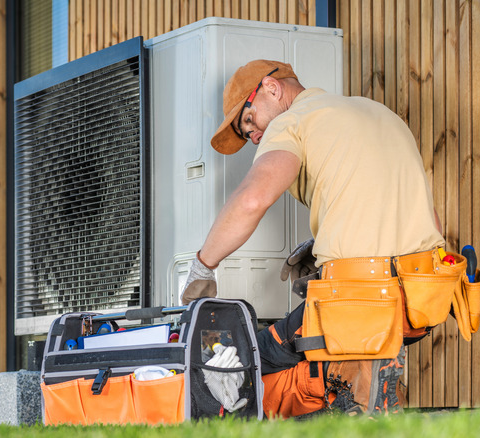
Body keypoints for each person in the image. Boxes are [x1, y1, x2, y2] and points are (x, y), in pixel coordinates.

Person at [180, 59, 446, 417]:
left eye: (249, 121)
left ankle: (350, 397)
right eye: (248, 135)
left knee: (250, 356)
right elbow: (429, 219)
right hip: (421, 299)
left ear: (271, 89)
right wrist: (330, 244)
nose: (254, 136)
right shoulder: (378, 112)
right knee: (326, 349)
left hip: (359, 298)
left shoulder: (293, 121)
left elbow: (252, 199)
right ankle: (363, 385)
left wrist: (203, 266)